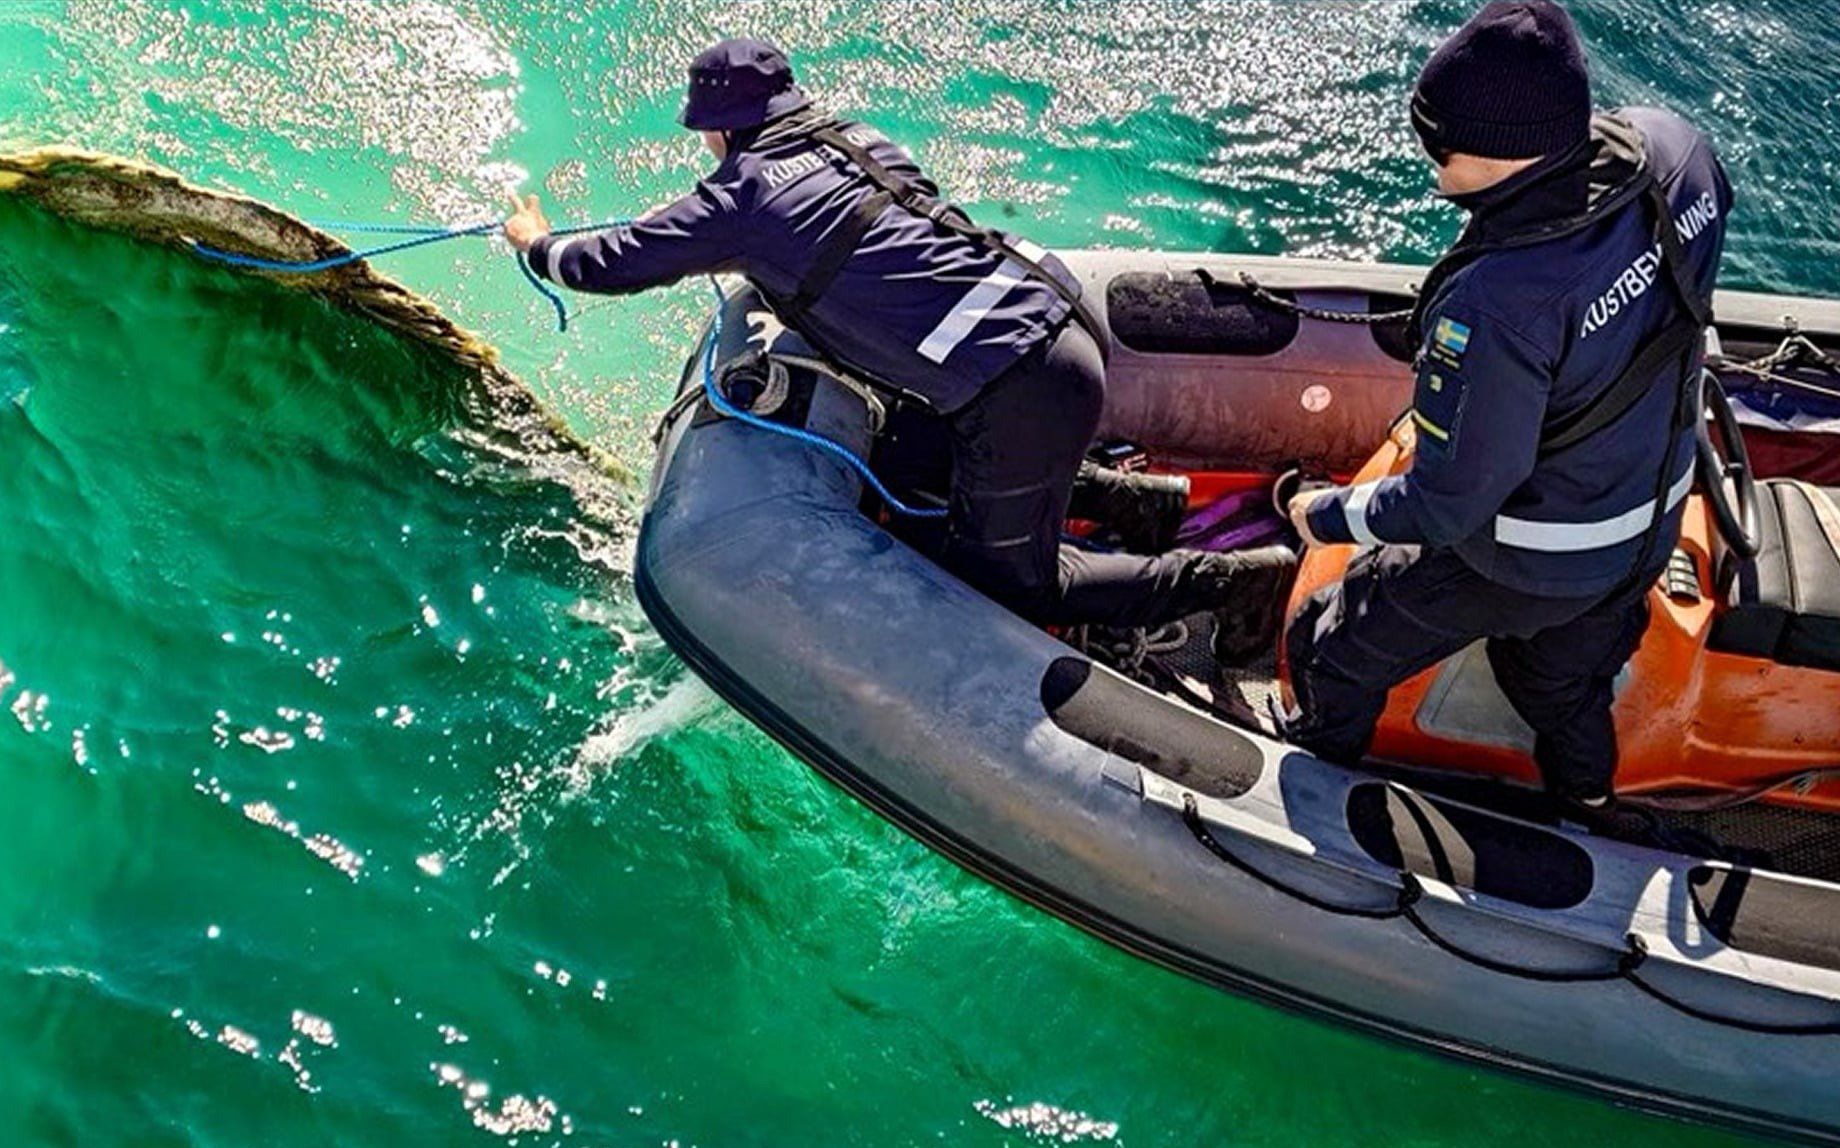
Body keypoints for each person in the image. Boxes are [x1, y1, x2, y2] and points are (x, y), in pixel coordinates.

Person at [504, 37, 1293, 646]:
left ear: (716, 128)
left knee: (1011, 586)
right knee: (908, 450)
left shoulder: (741, 196)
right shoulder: (855, 137)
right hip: (1055, 328)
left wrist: (536, 244)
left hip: (1019, 384)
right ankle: (1138, 501)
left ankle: (1225, 583)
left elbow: (610, 263)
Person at [1280, 0, 1733, 826]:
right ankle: (1589, 801)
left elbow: (1450, 504)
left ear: (1485, 153)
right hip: (1650, 520)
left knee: (1333, 641)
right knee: (1560, 685)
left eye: (1436, 145)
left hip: (1526, 560)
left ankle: (1317, 775)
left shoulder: (1495, 305)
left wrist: (1326, 514)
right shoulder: (1677, 151)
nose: (1432, 164)